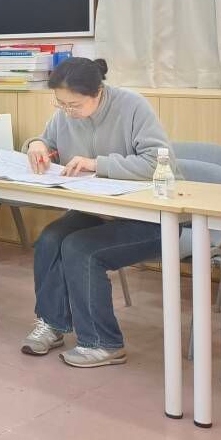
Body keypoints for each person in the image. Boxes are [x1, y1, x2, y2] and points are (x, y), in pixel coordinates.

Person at [21, 58, 171, 368]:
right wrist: (36, 144)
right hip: (100, 210)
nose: (67, 111)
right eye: (61, 104)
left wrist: (97, 164)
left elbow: (156, 162)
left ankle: (104, 343)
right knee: (50, 239)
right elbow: (47, 142)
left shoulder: (132, 106)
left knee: (80, 248)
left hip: (151, 218)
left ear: (98, 92)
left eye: (74, 105)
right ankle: (52, 323)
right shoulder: (65, 114)